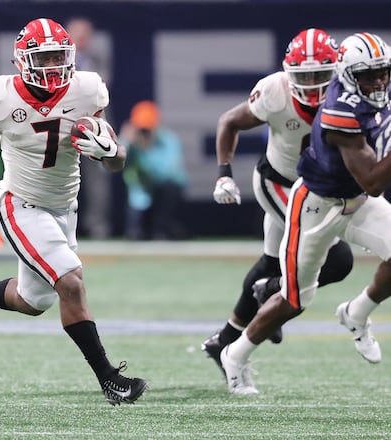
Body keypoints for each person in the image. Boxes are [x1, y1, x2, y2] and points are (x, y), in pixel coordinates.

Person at [0, 18, 146, 405]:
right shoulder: (0, 96)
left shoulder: (87, 90)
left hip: (65, 207)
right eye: (43, 58)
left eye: (59, 56)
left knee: (33, 301)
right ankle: (110, 380)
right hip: (21, 204)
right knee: (71, 283)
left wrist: (109, 152)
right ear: (22, 61)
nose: (52, 66)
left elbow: (117, 161)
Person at [220, 32, 391, 395]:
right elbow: (374, 179)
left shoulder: (367, 90)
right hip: (317, 204)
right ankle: (235, 354)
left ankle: (357, 312)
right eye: (367, 75)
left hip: (358, 200)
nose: (377, 82)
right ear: (347, 75)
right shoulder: (338, 111)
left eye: (382, 72)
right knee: (297, 299)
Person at [201, 29, 355, 376]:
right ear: (289, 73)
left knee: (272, 263)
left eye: (321, 75)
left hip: (321, 188)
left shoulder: (349, 92)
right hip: (280, 183)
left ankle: (224, 340)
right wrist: (224, 173)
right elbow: (230, 121)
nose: (315, 84)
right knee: (338, 258)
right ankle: (271, 292)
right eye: (305, 76)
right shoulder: (275, 91)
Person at [66, 17, 112, 238]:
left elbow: (102, 87)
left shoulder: (97, 59)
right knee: (61, 175)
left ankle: (97, 225)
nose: (81, 39)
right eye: (77, 34)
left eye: (85, 34)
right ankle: (61, 224)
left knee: (97, 179)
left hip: (94, 124)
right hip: (63, 127)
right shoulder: (58, 60)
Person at [120, 100, 188, 240]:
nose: (144, 133)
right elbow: (106, 167)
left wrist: (146, 151)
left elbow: (167, 174)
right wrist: (125, 144)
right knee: (135, 235)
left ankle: (165, 227)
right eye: (141, 128)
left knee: (170, 188)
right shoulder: (129, 141)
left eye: (147, 129)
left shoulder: (168, 140)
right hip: (140, 193)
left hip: (163, 192)